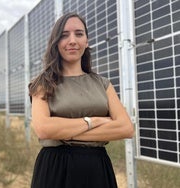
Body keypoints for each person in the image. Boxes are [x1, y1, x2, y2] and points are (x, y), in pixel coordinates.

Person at [28, 12, 134, 188]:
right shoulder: (43, 84)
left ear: (87, 41)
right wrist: (94, 121)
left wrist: (62, 131)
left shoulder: (103, 84)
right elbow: (43, 129)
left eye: (79, 34)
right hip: (55, 169)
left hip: (97, 170)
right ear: (55, 42)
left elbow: (126, 128)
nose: (72, 40)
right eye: (64, 35)